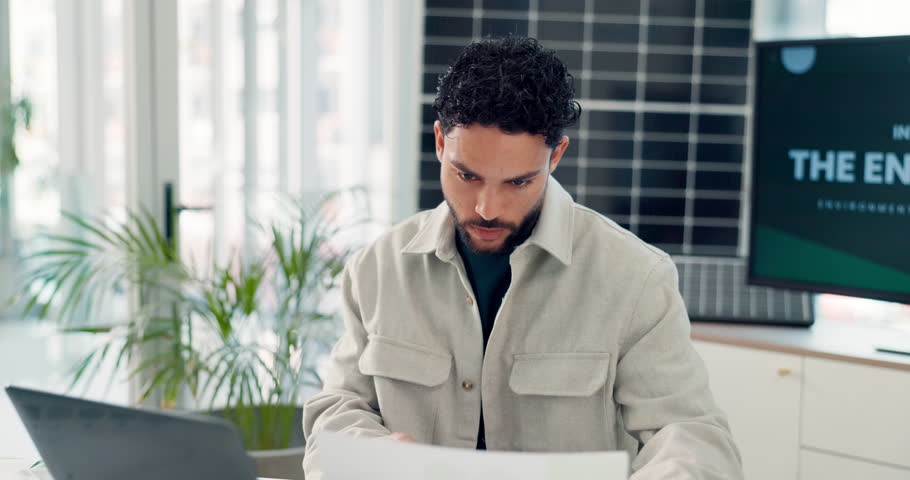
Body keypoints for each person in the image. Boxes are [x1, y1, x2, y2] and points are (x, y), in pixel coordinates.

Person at [302, 35, 743, 479]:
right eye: (466, 175)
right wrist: (372, 451)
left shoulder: (636, 278)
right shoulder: (377, 269)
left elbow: (691, 434)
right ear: (439, 142)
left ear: (556, 157)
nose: (487, 208)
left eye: (517, 182)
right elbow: (337, 409)